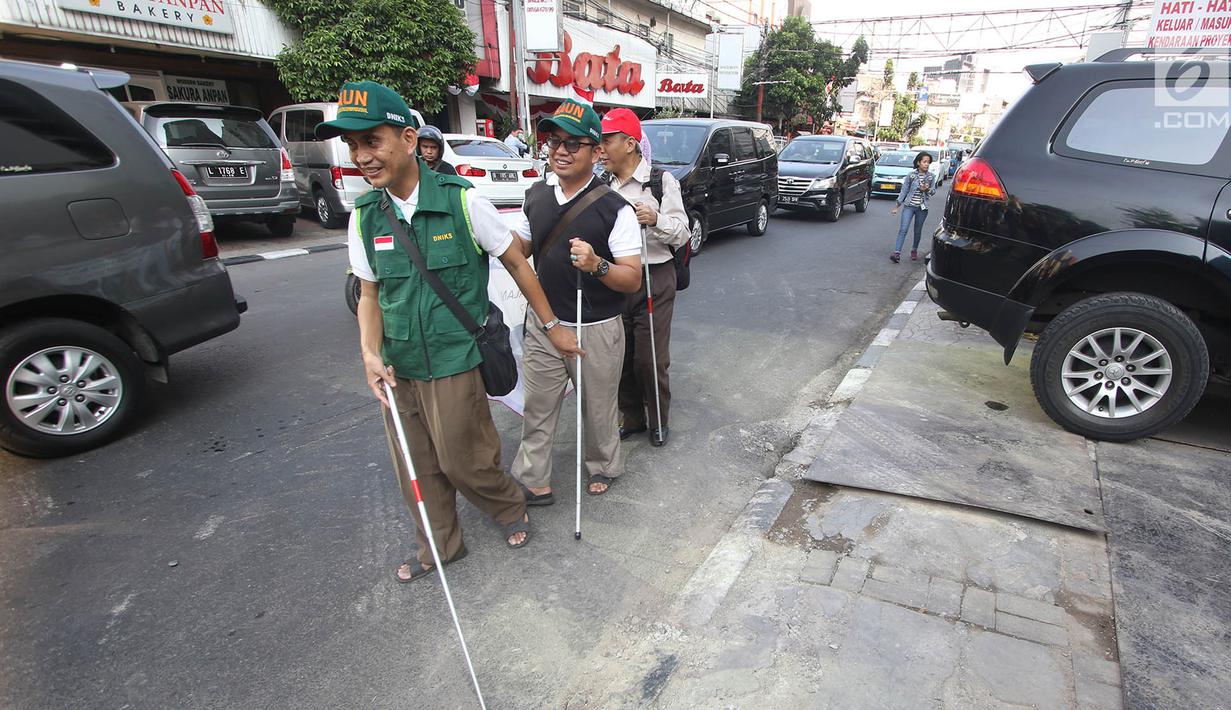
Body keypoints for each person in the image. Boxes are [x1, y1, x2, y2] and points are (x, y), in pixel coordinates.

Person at [317, 81, 581, 583]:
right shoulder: (366, 216)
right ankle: (439, 546)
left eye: (372, 141)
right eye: (353, 146)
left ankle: (508, 506)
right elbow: (369, 293)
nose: (362, 157)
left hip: (455, 354)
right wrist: (369, 353)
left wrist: (552, 326)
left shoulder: (463, 203)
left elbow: (519, 266)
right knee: (415, 466)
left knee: (464, 459)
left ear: (409, 140)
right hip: (400, 364)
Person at [510, 98, 643, 501]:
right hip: (545, 323)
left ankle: (602, 464)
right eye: (554, 142)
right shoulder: (536, 194)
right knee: (539, 406)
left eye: (573, 143)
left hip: (597, 327)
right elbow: (518, 247)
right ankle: (534, 477)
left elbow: (631, 278)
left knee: (598, 408)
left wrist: (597, 264)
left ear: (595, 151)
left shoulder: (614, 207)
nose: (561, 151)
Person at [598, 108, 689, 447]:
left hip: (655, 275)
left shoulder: (661, 182)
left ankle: (658, 419)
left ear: (630, 144)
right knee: (619, 355)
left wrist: (655, 219)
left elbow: (681, 232)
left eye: (608, 141)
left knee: (649, 357)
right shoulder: (603, 185)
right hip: (617, 277)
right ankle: (632, 417)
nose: (601, 148)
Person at [891, 151, 936, 263]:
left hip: (922, 208)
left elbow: (932, 192)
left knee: (917, 230)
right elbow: (904, 190)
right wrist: (897, 206)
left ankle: (914, 250)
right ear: (918, 162)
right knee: (903, 229)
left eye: (928, 162)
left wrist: (926, 189)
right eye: (924, 162)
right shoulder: (911, 176)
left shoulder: (931, 177)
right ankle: (897, 253)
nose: (926, 164)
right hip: (909, 206)